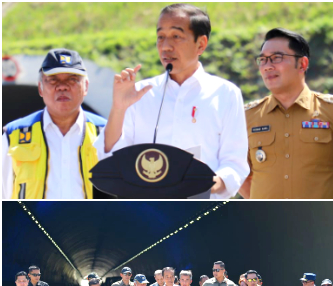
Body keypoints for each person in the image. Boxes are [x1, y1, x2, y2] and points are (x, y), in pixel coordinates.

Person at [104, 4, 249, 199]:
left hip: (202, 214)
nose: (165, 46)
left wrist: (203, 183)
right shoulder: (138, 93)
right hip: (147, 213)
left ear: (201, 44)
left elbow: (234, 164)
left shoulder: (225, 94)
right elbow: (110, 155)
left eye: (176, 36)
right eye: (160, 37)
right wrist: (118, 108)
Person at [239, 28, 333, 199]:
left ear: (302, 64)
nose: (268, 66)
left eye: (276, 58)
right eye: (263, 60)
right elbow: (238, 173)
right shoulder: (247, 117)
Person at [2, 48, 116, 199]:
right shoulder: (12, 135)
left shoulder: (107, 133)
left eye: (72, 79)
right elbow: (2, 195)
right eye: (53, 80)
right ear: (41, 88)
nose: (62, 86)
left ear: (86, 86)